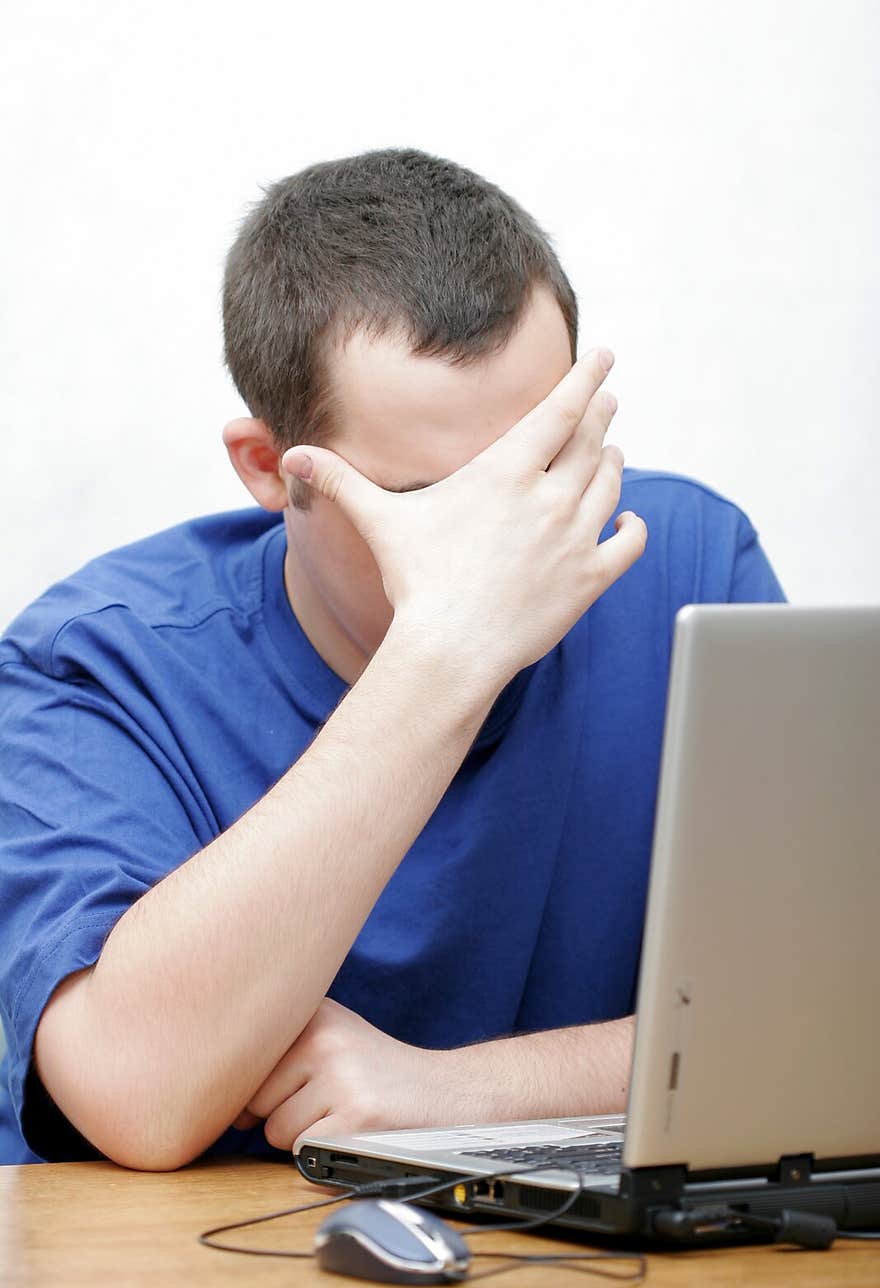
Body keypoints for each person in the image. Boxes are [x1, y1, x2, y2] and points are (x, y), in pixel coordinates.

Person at [0, 148, 787, 1169]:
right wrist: (445, 654)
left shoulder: (688, 568)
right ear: (272, 471)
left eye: (544, 463)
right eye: (425, 502)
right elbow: (133, 1090)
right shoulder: (96, 667)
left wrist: (452, 1095)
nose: (507, 539)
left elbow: (825, 1019)